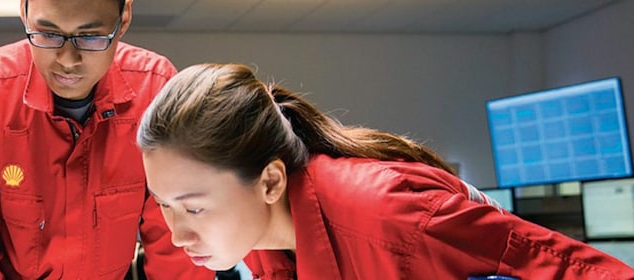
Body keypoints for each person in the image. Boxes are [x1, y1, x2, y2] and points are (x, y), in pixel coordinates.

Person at [137, 63, 634, 279]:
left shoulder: (388, 217)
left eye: (194, 207)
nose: (176, 234)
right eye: (163, 205)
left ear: (270, 181)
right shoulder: (268, 246)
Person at [0, 0, 209, 278]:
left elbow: (177, 250)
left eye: (90, 37)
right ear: (24, 12)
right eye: (48, 34)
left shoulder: (155, 90)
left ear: (123, 19)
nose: (67, 60)